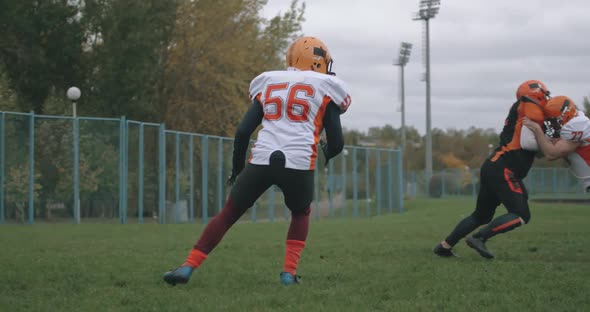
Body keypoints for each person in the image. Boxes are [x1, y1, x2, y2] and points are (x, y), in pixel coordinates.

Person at [163, 36, 351, 286]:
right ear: (317, 62)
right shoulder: (327, 87)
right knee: (300, 212)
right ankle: (288, 273)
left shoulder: (268, 82)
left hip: (261, 158)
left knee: (229, 213)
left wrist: (237, 168)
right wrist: (326, 153)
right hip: (298, 160)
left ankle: (188, 267)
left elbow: (242, 132)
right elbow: (337, 143)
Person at [434, 80, 551, 259]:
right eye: (544, 95)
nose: (547, 98)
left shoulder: (522, 108)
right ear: (537, 94)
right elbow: (530, 144)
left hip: (495, 166)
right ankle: (479, 237)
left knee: (481, 215)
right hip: (504, 169)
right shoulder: (528, 105)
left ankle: (444, 246)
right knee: (521, 214)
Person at [523, 96, 590, 192]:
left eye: (553, 121)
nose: (551, 124)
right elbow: (542, 152)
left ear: (564, 115)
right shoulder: (575, 123)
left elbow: (551, 154)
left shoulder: (577, 126)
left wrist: (537, 129)